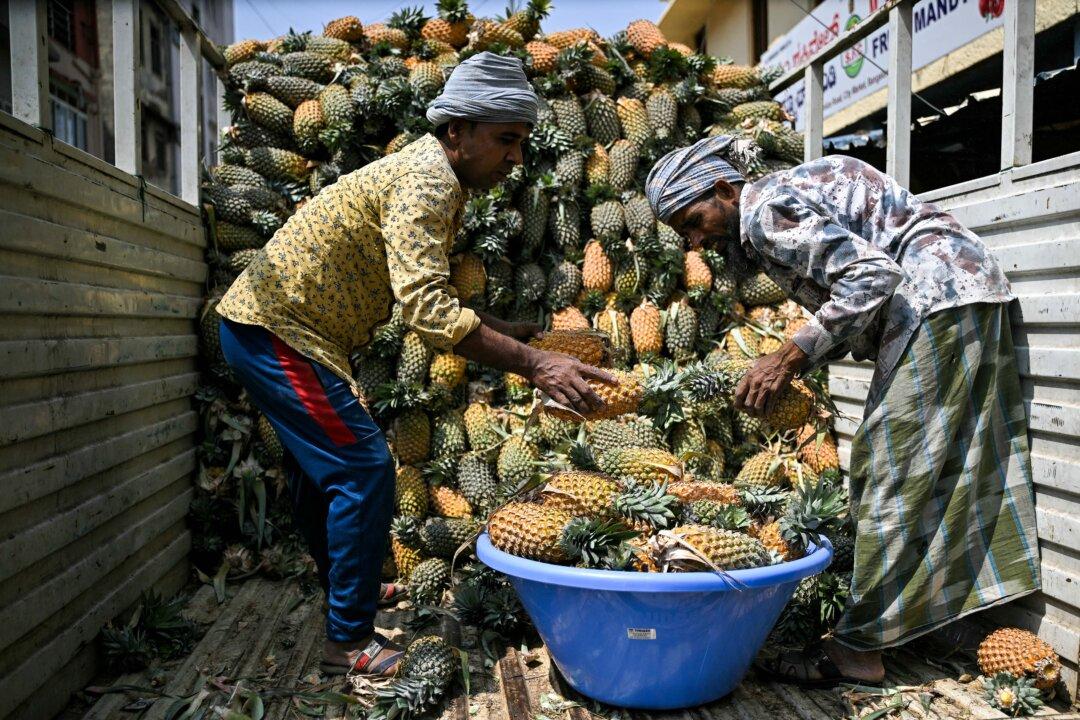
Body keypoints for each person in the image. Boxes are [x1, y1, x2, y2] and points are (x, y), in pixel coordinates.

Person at [215, 52, 613, 678]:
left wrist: (508, 333)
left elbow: (418, 296)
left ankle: (350, 598)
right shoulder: (427, 182)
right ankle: (347, 641)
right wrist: (533, 362)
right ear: (457, 130)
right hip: (275, 331)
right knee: (364, 466)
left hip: (280, 330)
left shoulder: (434, 177)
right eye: (505, 139)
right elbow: (428, 310)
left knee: (320, 474)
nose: (515, 157)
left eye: (522, 142)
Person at [645, 136, 1041, 685]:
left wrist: (786, 357)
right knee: (943, 465)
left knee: (890, 467)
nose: (694, 241)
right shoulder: (782, 193)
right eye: (683, 234)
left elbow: (873, 275)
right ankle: (933, 621)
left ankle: (859, 648)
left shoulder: (764, 213)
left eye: (693, 220)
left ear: (722, 190)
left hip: (938, 296)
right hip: (960, 291)